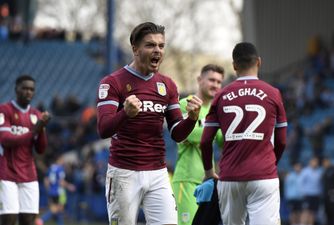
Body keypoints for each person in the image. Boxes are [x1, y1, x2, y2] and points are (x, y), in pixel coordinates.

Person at [96, 22, 202, 225]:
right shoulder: (113, 82)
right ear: (135, 49)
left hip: (158, 173)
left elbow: (177, 133)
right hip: (124, 173)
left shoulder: (167, 85)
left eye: (161, 46)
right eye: (150, 45)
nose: (158, 51)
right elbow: (103, 129)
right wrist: (125, 114)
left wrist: (191, 119)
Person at [200, 42, 288, 225]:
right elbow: (281, 141)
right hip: (263, 175)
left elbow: (205, 141)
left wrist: (209, 171)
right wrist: (271, 163)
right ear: (259, 62)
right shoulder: (273, 93)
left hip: (230, 176)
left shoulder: (221, 95)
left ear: (234, 66)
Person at [171, 64, 224, 225]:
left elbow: (224, 142)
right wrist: (215, 130)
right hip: (186, 180)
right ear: (200, 80)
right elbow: (188, 134)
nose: (215, 85)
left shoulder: (216, 111)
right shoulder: (185, 104)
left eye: (219, 82)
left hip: (209, 184)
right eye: (211, 80)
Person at [0, 75, 51, 225]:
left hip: (29, 175)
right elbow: (6, 140)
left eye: (31, 89)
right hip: (6, 174)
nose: (28, 92)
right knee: (8, 220)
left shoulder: (36, 115)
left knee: (28, 221)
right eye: (25, 88)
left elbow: (41, 149)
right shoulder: (4, 110)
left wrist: (41, 129)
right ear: (16, 89)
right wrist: (34, 131)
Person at [35, 154, 75, 225]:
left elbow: (46, 181)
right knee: (58, 208)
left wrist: (49, 189)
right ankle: (42, 219)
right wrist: (69, 186)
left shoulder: (50, 168)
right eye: (62, 159)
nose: (63, 161)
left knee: (59, 209)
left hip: (52, 191)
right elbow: (61, 181)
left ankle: (59, 223)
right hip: (59, 192)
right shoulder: (60, 169)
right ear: (59, 159)